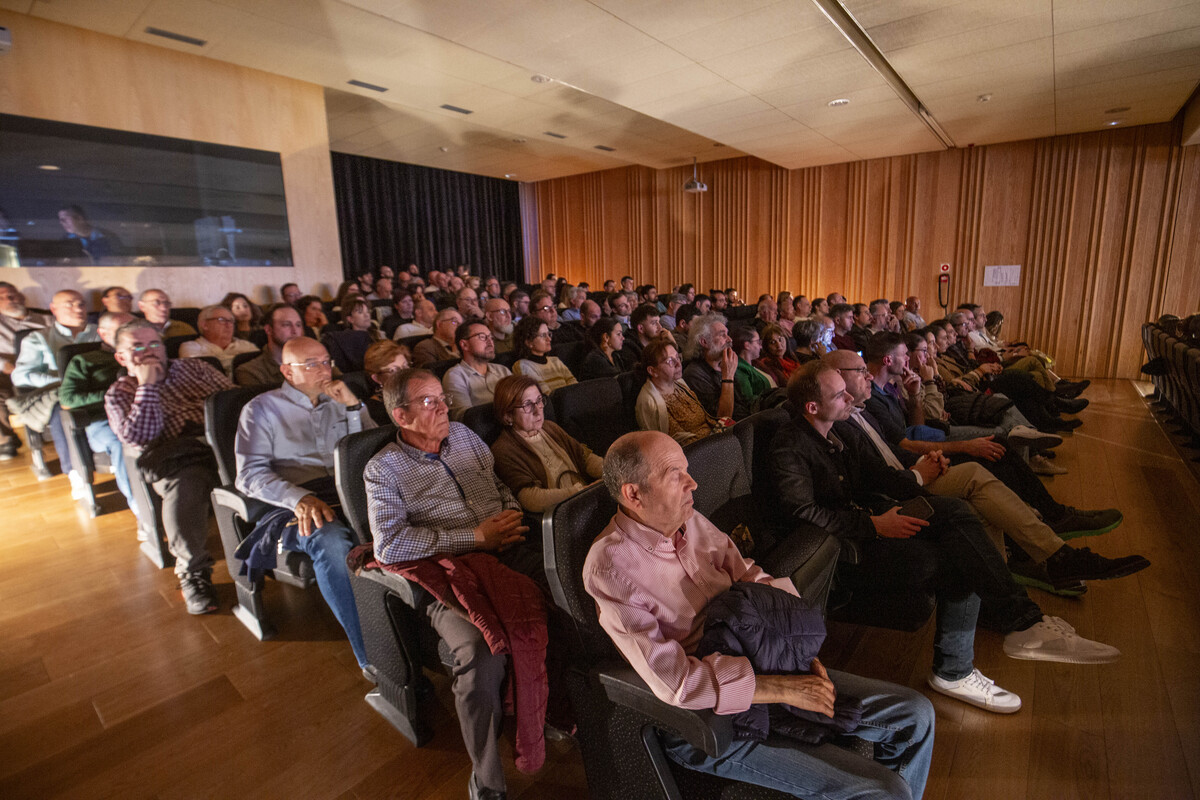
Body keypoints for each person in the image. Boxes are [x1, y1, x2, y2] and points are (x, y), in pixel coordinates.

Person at [584, 430, 936, 799]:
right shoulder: (610, 568)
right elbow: (676, 683)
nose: (693, 482)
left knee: (917, 715)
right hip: (711, 720)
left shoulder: (690, 520)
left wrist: (799, 652)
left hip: (766, 658)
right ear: (634, 494)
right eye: (675, 474)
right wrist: (785, 689)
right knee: (885, 789)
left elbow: (749, 574)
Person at [767, 362, 1122, 712]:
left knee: (953, 512)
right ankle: (957, 669)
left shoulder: (840, 430)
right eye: (839, 394)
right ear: (812, 407)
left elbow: (882, 477)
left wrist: (920, 478)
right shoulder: (789, 445)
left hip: (869, 521)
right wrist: (873, 525)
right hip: (840, 550)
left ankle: (1022, 622)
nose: (849, 397)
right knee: (956, 552)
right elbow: (801, 514)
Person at [827, 348, 1149, 597]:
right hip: (905, 482)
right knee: (978, 470)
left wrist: (919, 396)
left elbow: (898, 446)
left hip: (916, 463)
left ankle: (1024, 561)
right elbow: (898, 452)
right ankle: (1052, 552)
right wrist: (925, 468)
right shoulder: (845, 421)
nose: (868, 376)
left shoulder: (864, 408)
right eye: (859, 372)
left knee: (987, 464)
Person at [365, 368, 546, 800]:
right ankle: (487, 780)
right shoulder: (382, 469)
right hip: (448, 574)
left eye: (442, 397)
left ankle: (550, 715)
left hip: (505, 548)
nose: (443, 406)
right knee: (480, 653)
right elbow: (389, 545)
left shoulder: (464, 436)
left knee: (570, 598)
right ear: (401, 416)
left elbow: (497, 485)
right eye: (429, 402)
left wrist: (509, 518)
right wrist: (476, 537)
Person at [234, 337, 372, 669]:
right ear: (287, 371)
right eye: (312, 364)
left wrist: (354, 409)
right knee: (330, 540)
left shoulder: (342, 398)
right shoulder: (262, 408)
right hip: (291, 500)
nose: (325, 370)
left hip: (346, 490)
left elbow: (373, 449)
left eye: (327, 361)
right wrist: (299, 497)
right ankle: (374, 655)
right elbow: (248, 475)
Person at [106, 320, 233, 615]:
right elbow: (139, 437)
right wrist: (147, 386)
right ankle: (193, 572)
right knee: (186, 485)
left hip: (220, 444)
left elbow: (233, 401)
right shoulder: (120, 392)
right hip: (176, 458)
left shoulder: (194, 369)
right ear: (121, 358)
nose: (149, 352)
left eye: (154, 344)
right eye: (137, 347)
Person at [12, 289, 99, 490]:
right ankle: (75, 472)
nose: (78, 308)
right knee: (63, 410)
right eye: (70, 304)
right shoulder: (38, 338)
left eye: (81, 304)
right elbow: (20, 375)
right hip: (59, 392)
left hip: (97, 388)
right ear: (53, 309)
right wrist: (62, 380)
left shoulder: (99, 331)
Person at [59, 311, 139, 515]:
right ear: (103, 334)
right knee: (124, 441)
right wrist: (115, 392)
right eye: (122, 329)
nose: (130, 333)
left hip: (144, 412)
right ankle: (141, 510)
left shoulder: (144, 352)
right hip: (103, 422)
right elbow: (67, 400)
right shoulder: (85, 360)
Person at [490, 374, 603, 512]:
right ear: (507, 416)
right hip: (560, 512)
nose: (538, 411)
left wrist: (610, 473)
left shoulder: (550, 427)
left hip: (586, 499)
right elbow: (530, 499)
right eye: (527, 405)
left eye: (539, 401)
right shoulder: (503, 450)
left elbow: (585, 458)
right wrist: (582, 492)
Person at [636, 339, 726, 444]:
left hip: (710, 439)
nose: (678, 364)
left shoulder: (679, 383)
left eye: (678, 357)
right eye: (670, 361)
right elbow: (676, 443)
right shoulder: (649, 402)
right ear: (652, 371)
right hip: (696, 451)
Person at [0, 282, 50, 459]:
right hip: (9, 369)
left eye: (12, 295)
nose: (9, 299)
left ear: (21, 296)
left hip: (45, 364)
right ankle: (5, 440)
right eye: (2, 297)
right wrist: (3, 364)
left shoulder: (45, 318)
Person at [682, 313, 744, 420]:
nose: (729, 339)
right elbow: (722, 419)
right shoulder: (694, 374)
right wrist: (728, 378)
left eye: (727, 334)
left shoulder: (724, 363)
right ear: (704, 342)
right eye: (722, 335)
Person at [442, 320, 512, 417]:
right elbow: (466, 417)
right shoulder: (455, 376)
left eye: (491, 337)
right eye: (482, 337)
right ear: (464, 345)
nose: (490, 342)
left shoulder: (502, 370)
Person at [235, 304, 306, 387]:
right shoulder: (251, 371)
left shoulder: (315, 361)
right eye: (286, 324)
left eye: (298, 325)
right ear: (268, 329)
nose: (295, 331)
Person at [179, 305, 258, 376]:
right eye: (221, 320)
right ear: (205, 325)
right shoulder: (191, 347)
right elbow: (200, 373)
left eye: (231, 321)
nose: (228, 325)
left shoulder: (247, 345)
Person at [511, 316, 576, 394]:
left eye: (549, 334)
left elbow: (574, 386)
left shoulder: (555, 360)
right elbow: (545, 395)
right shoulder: (523, 366)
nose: (549, 339)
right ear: (529, 342)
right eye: (543, 335)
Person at [576, 316, 626, 381]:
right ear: (606, 337)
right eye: (618, 334)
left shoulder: (615, 355)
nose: (623, 338)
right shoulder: (595, 359)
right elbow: (618, 381)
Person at [753, 322, 801, 386]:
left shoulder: (791, 359)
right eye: (772, 342)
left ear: (786, 340)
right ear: (766, 346)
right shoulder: (767, 364)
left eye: (780, 339)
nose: (778, 345)